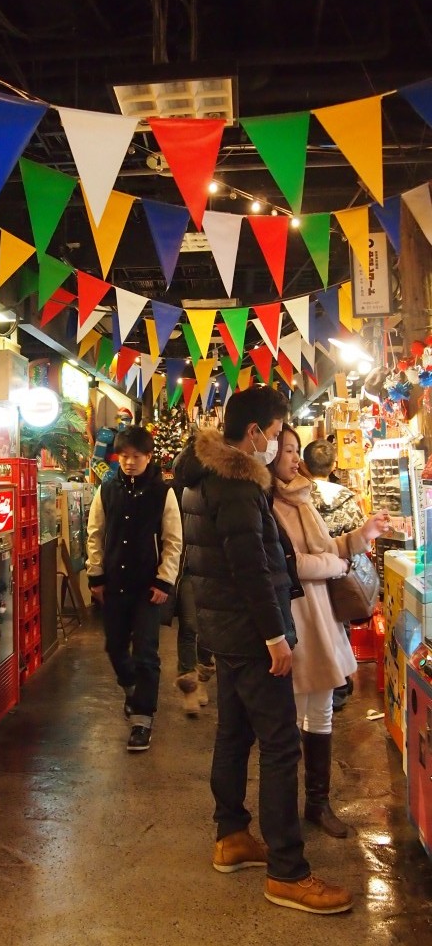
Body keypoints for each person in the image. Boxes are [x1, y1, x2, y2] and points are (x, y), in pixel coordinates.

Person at [179, 384, 353, 915]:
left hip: (225, 632)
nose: (280, 446)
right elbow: (249, 567)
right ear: (254, 433)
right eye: (277, 435)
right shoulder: (235, 483)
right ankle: (287, 871)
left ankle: (231, 835)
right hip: (252, 636)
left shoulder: (202, 473)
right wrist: (276, 636)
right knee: (280, 746)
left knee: (233, 733)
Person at [271, 424, 389, 838]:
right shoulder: (267, 504)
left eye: (293, 450)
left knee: (319, 711)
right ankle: (287, 812)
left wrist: (362, 535)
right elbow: (293, 564)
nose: (292, 458)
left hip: (320, 615)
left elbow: (325, 548)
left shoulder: (302, 498)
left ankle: (317, 803)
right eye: (285, 450)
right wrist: (337, 566)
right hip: (293, 618)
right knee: (289, 714)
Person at [86, 425, 183, 753]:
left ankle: (142, 718)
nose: (129, 462)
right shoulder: (107, 488)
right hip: (114, 584)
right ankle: (130, 687)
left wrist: (164, 580)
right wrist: (96, 575)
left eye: (136, 457)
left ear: (149, 457)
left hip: (147, 587)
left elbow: (173, 540)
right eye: (124, 456)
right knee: (114, 647)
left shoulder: (162, 492)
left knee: (146, 653)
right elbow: (95, 532)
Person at [303, 437, 365, 711]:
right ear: (333, 465)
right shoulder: (348, 498)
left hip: (312, 575)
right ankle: (340, 686)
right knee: (343, 627)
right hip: (342, 574)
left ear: (305, 464)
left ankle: (320, 681)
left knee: (315, 629)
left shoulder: (301, 497)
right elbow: (360, 536)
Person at [171, 439, 215, 717]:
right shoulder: (174, 490)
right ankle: (189, 684)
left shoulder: (217, 488)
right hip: (186, 565)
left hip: (212, 567)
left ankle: (201, 673)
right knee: (189, 624)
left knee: (208, 625)